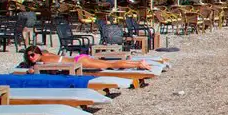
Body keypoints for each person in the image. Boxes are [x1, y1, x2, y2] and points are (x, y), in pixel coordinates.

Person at [21, 45, 152, 71]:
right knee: (111, 63)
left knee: (110, 65)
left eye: (33, 55)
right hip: (80, 58)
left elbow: (38, 69)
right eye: (29, 56)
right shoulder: (46, 53)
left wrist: (30, 69)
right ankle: (138, 62)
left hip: (79, 62)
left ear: (38, 54)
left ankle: (138, 65)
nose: (31, 58)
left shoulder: (42, 60)